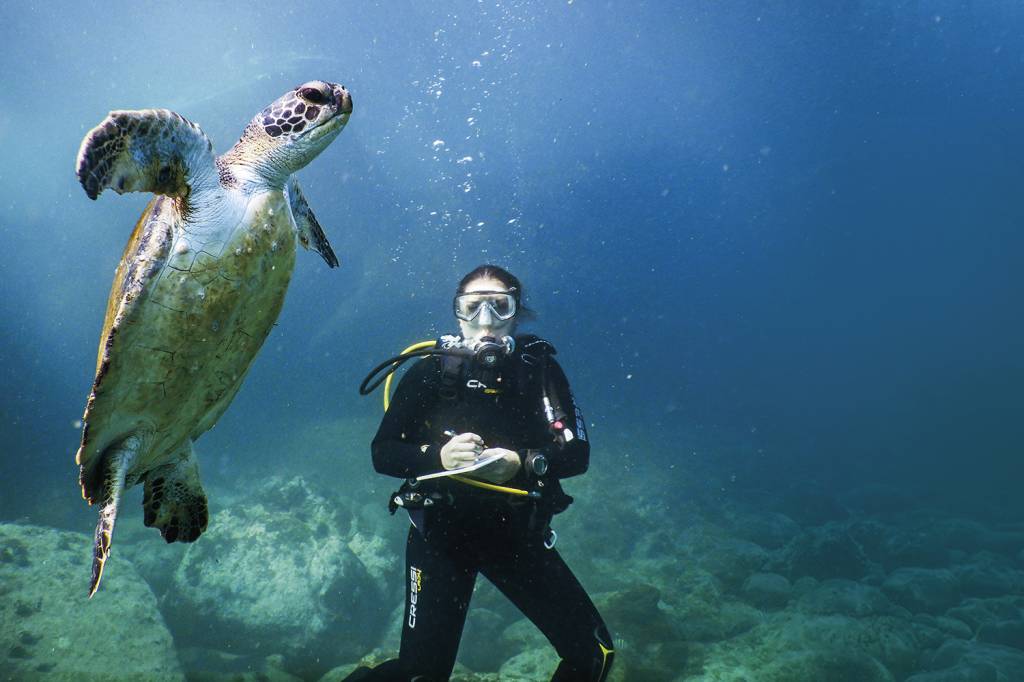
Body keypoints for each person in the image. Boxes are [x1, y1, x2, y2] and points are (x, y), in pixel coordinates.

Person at [348, 265, 614, 681]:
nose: (485, 321)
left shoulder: (538, 370)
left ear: (516, 313)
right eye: (472, 308)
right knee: (421, 674)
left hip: (516, 537)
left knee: (594, 655)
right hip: (442, 537)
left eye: (499, 306)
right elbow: (383, 454)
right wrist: (438, 457)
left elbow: (576, 454)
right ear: (457, 315)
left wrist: (522, 462)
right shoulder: (430, 371)